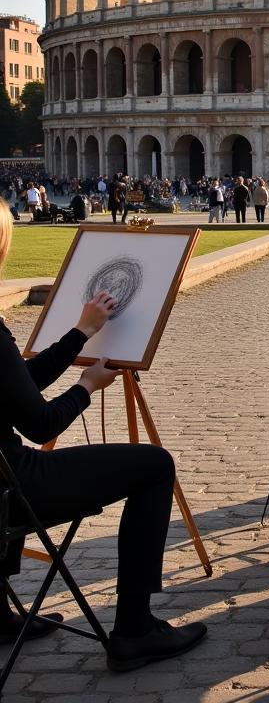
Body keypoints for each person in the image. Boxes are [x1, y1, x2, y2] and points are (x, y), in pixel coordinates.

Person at [0, 201, 207, 669]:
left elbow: (18, 387)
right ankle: (135, 628)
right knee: (154, 466)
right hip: (14, 488)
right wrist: (86, 386)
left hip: (2, 478)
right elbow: (40, 424)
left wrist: (78, 334)